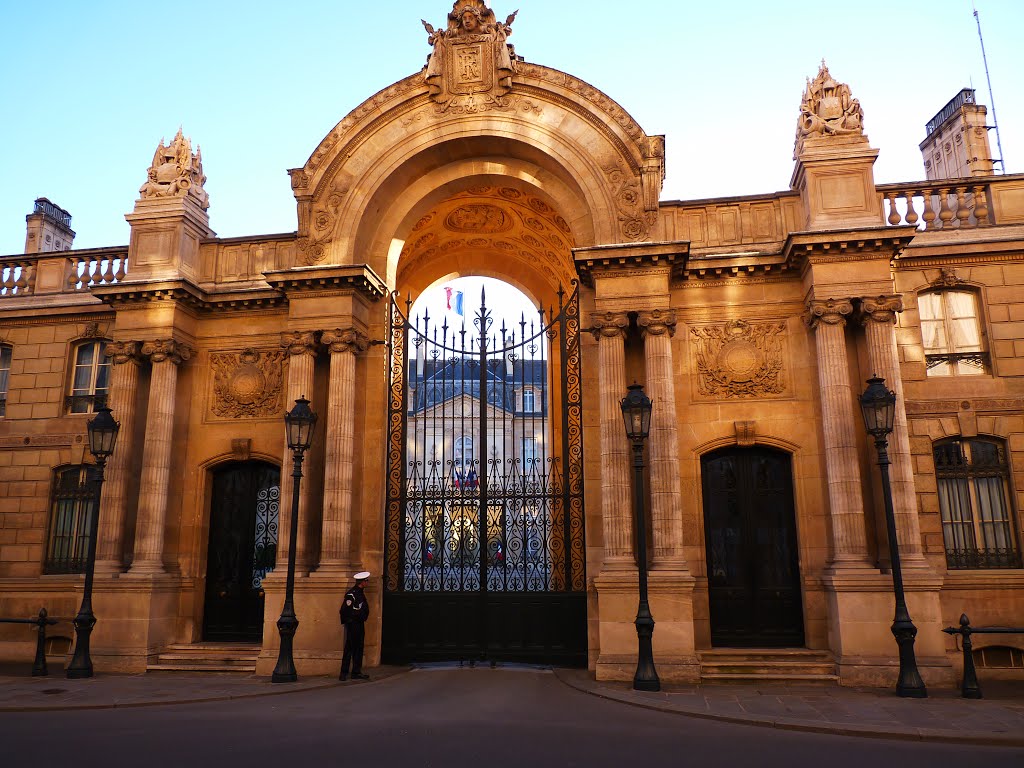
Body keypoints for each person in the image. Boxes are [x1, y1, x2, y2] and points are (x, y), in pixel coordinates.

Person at [339, 571, 371, 681]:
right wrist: (353, 620)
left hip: (359, 624)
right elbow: (345, 611)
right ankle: (344, 672)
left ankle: (356, 672)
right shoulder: (352, 594)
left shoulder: (360, 593)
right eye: (367, 581)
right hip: (353, 625)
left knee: (359, 648)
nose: (368, 583)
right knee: (350, 648)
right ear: (362, 582)